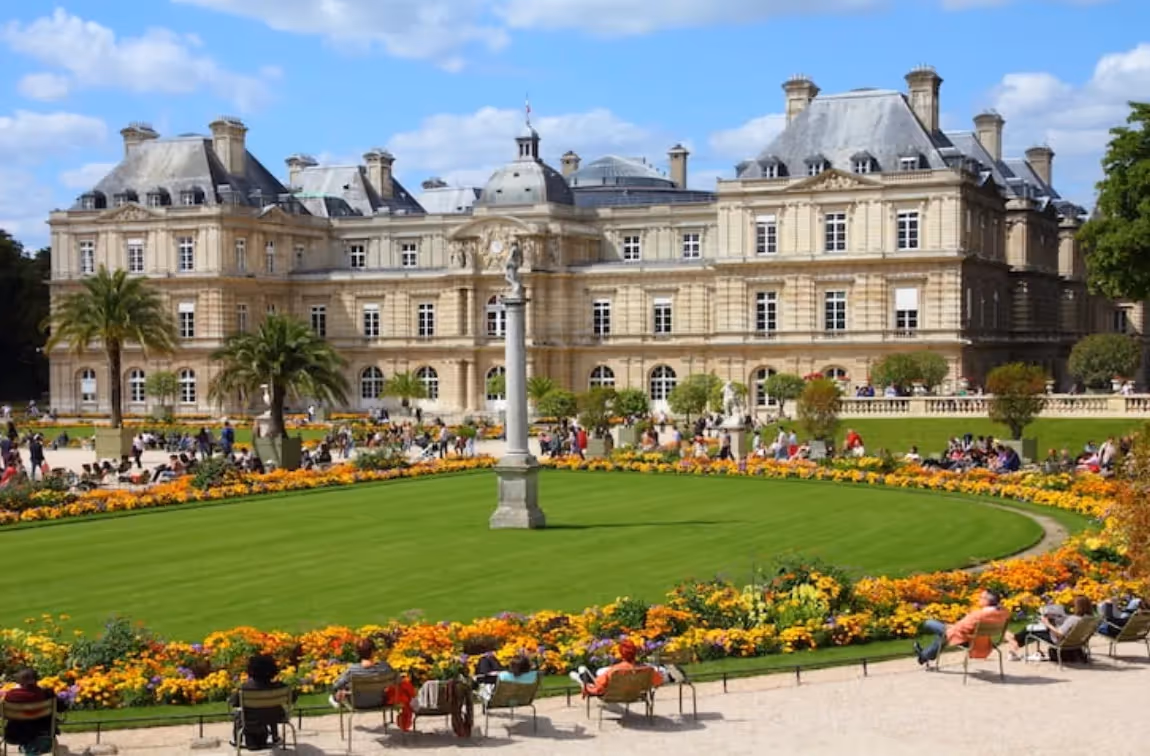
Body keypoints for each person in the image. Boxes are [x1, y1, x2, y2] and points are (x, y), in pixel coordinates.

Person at [913, 590, 1009, 665]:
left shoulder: (978, 615)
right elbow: (964, 626)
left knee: (930, 623)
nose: (979, 599)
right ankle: (925, 656)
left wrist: (949, 626)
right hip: (983, 640)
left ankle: (925, 655)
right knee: (942, 635)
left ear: (987, 601)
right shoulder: (1003, 612)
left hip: (966, 639)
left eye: (981, 597)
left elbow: (961, 628)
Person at [229, 654, 296, 750]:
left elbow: (234, 703)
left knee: (238, 714)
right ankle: (275, 737)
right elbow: (293, 698)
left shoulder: (245, 688)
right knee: (272, 709)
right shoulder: (281, 687)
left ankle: (238, 741)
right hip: (276, 717)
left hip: (251, 718)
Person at [1, 668, 67, 755]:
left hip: (15, 735)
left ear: (20, 682)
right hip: (43, 733)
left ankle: (28, 747)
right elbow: (62, 708)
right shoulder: (46, 694)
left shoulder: (11, 695)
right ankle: (32, 747)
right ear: (35, 680)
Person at [1005, 596, 1094, 660]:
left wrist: (1047, 623)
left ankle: (1014, 641)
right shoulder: (1088, 619)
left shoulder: (1073, 619)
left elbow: (1059, 634)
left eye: (1074, 605)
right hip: (1075, 642)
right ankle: (1015, 640)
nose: (1072, 607)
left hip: (1058, 640)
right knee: (1038, 629)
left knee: (1031, 630)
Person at [568, 639, 664, 697]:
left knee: (582, 671)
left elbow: (599, 685)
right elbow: (658, 681)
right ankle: (580, 675)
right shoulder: (647, 670)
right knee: (583, 672)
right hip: (636, 695)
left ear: (621, 654)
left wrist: (587, 687)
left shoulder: (615, 670)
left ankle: (579, 676)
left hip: (612, 695)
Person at [328, 639, 396, 709]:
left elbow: (336, 685)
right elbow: (397, 680)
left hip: (357, 704)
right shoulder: (384, 667)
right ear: (373, 652)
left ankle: (336, 700)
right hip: (379, 701)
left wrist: (345, 690)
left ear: (357, 653)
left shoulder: (352, 670)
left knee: (338, 693)